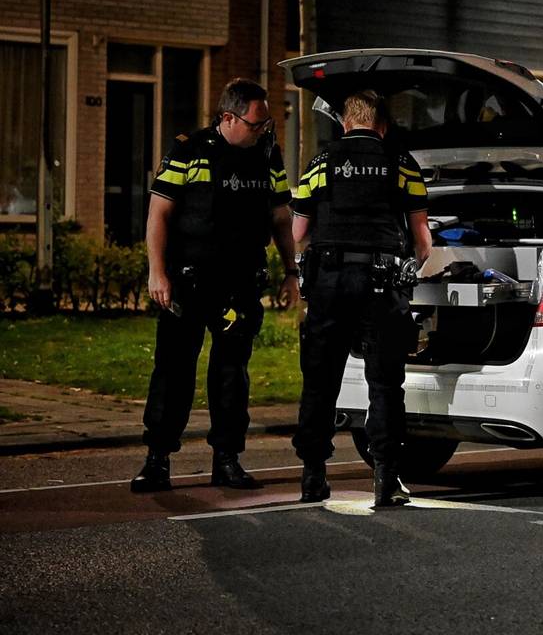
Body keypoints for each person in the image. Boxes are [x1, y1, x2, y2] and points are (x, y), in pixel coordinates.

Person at [131, 78, 299, 493]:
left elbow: (281, 217)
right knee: (173, 371)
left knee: (231, 375)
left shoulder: (266, 154)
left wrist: (291, 271)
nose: (263, 130)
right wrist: (157, 273)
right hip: (187, 284)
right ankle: (158, 460)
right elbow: (158, 215)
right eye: (255, 123)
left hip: (239, 285)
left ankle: (227, 459)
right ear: (228, 117)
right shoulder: (189, 150)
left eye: (266, 123)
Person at [290, 90, 431, 506]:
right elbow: (423, 241)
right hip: (381, 283)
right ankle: (386, 478)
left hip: (330, 283)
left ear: (346, 123)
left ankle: (313, 476)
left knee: (320, 380)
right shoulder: (402, 164)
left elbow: (297, 233)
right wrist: (409, 261)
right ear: (381, 125)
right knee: (385, 383)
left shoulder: (320, 164)